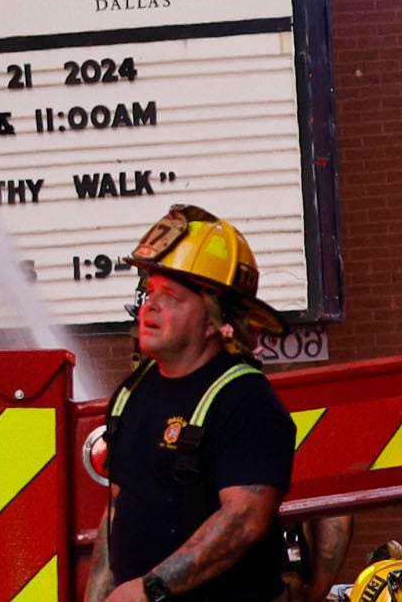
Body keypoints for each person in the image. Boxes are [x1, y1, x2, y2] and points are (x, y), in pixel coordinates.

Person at [91, 205, 296, 602]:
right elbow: (118, 509)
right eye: (149, 292)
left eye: (171, 297)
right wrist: (99, 595)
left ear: (215, 321)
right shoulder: (132, 393)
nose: (150, 307)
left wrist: (150, 589)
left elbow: (244, 520)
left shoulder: (245, 400)